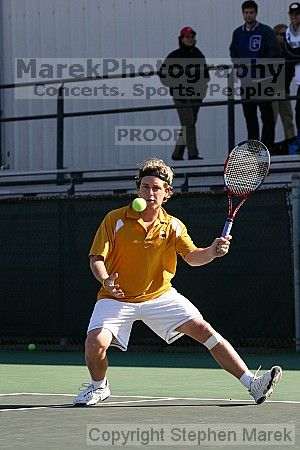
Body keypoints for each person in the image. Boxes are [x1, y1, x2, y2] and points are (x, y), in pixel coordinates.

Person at [73, 157, 282, 406]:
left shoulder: (173, 226)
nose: (150, 193)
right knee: (94, 343)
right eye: (145, 186)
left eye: (156, 188)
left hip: (160, 296)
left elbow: (193, 257)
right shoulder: (114, 219)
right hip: (115, 297)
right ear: (138, 189)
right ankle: (99, 387)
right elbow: (96, 258)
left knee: (205, 330)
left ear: (167, 193)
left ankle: (253, 384)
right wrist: (106, 280)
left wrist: (212, 251)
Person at [229, 1, 281, 150]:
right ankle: (254, 149)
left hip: (263, 80)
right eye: (246, 12)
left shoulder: (265, 31)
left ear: (256, 13)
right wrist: (240, 64)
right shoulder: (238, 33)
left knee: (267, 117)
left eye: (251, 12)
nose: (249, 15)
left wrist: (257, 62)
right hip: (246, 81)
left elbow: (274, 52)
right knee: (250, 118)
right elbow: (233, 51)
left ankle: (267, 149)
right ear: (242, 13)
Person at [159, 27, 210, 160]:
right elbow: (163, 74)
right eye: (187, 37)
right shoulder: (174, 56)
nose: (190, 39)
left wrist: (202, 90)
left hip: (195, 96)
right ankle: (193, 154)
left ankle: (177, 154)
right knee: (189, 124)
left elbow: (205, 75)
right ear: (182, 39)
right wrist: (174, 85)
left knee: (188, 125)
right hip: (181, 95)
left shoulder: (198, 54)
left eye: (192, 36)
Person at [272, 24, 296, 155]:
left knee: (288, 118)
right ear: (275, 36)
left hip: (284, 88)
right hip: (272, 90)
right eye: (282, 34)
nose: (285, 37)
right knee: (271, 119)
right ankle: (268, 147)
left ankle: (291, 145)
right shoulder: (271, 50)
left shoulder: (289, 50)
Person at [286, 2, 300, 152]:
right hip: (299, 80)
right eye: (293, 14)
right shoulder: (288, 32)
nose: (295, 16)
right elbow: (289, 53)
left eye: (297, 14)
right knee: (298, 112)